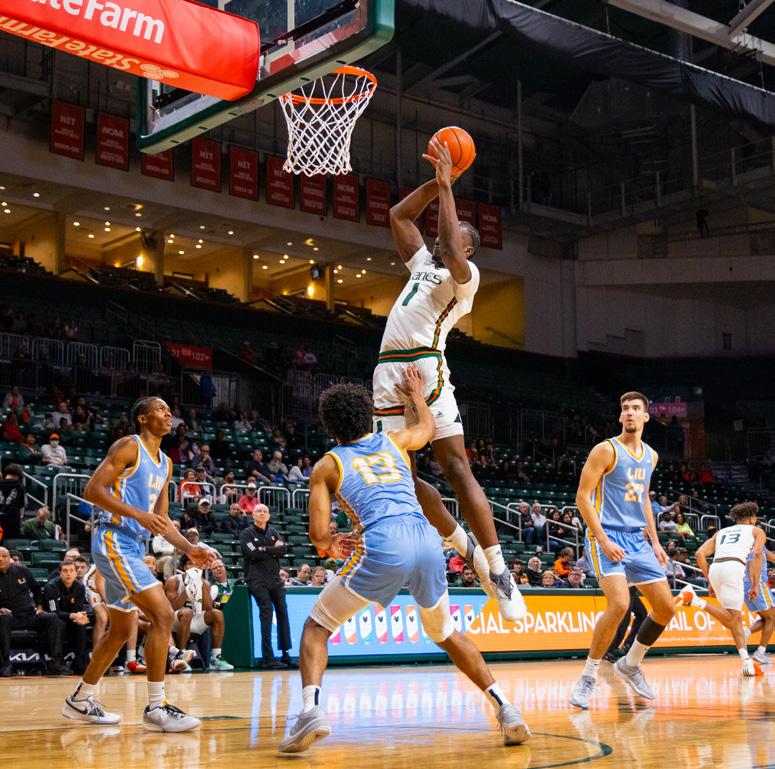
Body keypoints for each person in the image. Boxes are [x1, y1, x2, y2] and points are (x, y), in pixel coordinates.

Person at [278, 369, 529, 753]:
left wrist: (331, 543)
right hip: (427, 541)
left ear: (330, 426)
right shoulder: (393, 441)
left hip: (383, 544)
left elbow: (317, 534)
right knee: (446, 633)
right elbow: (426, 428)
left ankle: (311, 711)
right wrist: (416, 395)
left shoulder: (327, 466)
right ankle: (506, 708)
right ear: (368, 416)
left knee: (316, 626)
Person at [370, 137, 522, 621]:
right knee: (403, 480)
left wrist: (449, 190)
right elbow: (398, 216)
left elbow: (451, 246)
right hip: (386, 372)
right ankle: (466, 549)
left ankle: (499, 567)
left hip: (426, 367)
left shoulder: (466, 276)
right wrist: (437, 185)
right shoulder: (421, 263)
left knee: (456, 468)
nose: (440, 239)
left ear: (469, 248)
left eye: (453, 235)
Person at [61, 396, 218, 732]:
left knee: (120, 630)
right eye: (161, 409)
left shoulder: (166, 463)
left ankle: (80, 699)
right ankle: (156, 708)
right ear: (143, 419)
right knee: (162, 614)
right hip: (113, 539)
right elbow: (92, 490)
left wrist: (189, 548)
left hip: (133, 544)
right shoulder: (128, 446)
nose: (169, 414)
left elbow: (160, 519)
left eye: (170, 410)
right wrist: (138, 515)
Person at [569, 391, 676, 709]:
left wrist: (655, 541)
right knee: (619, 604)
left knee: (666, 608)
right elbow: (582, 497)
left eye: (635, 408)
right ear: (620, 416)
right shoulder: (606, 449)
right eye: (625, 408)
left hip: (637, 540)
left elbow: (643, 499)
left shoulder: (651, 456)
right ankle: (588, 676)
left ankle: (630, 664)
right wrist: (602, 539)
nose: (629, 412)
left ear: (645, 416)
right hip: (606, 536)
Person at [678, 502, 766, 676]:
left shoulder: (721, 532)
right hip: (734, 567)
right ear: (752, 518)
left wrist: (710, 580)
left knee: (735, 619)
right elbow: (757, 554)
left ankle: (746, 662)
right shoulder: (757, 531)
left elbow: (699, 554)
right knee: (732, 619)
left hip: (716, 567)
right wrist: (755, 585)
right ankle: (695, 600)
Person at [0, 546, 70, 676]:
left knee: (52, 618)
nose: (1, 559)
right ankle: (6, 663)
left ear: (9, 558)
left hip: (29, 615)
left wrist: (40, 607)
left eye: (4, 556)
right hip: (10, 617)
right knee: (3, 618)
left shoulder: (22, 570)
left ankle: (55, 662)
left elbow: (37, 589)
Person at [239, 503, 292, 670]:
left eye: (265, 511)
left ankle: (286, 654)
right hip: (256, 579)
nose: (262, 513)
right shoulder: (246, 533)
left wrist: (264, 549)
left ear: (269, 515)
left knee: (282, 612)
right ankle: (268, 657)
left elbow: (283, 550)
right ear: (253, 515)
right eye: (258, 511)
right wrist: (272, 549)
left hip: (275, 579)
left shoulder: (273, 532)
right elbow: (252, 553)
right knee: (267, 612)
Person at [165, 555, 234, 671]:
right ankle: (181, 656)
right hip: (175, 619)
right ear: (184, 567)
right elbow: (171, 607)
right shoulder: (174, 581)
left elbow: (208, 608)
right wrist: (187, 590)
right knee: (187, 612)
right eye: (190, 564)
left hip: (195, 619)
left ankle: (215, 658)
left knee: (217, 614)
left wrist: (201, 586)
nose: (194, 567)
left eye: (196, 565)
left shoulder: (205, 583)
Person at [44, 560, 90, 674]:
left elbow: (78, 609)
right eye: (65, 571)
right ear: (60, 573)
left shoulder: (80, 587)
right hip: (53, 620)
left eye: (71, 570)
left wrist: (81, 616)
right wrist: (73, 615)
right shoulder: (51, 586)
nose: (68, 574)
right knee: (59, 623)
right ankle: (56, 662)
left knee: (81, 625)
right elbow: (53, 611)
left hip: (70, 618)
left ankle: (79, 662)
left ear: (76, 573)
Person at [742, 547, 775, 664]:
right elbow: (752, 564)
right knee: (772, 618)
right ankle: (760, 653)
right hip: (757, 584)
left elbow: (771, 557)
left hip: (745, 585)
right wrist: (754, 586)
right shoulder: (755, 545)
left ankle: (746, 633)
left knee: (767, 618)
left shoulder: (751, 544)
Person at [604, 586, 647, 662]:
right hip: (624, 590)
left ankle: (628, 644)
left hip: (632, 591)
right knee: (624, 621)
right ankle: (608, 650)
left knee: (642, 614)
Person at [0, 464, 25, 543]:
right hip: (12, 521)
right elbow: (22, 505)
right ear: (17, 475)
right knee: (12, 546)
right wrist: (21, 519)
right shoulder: (20, 486)